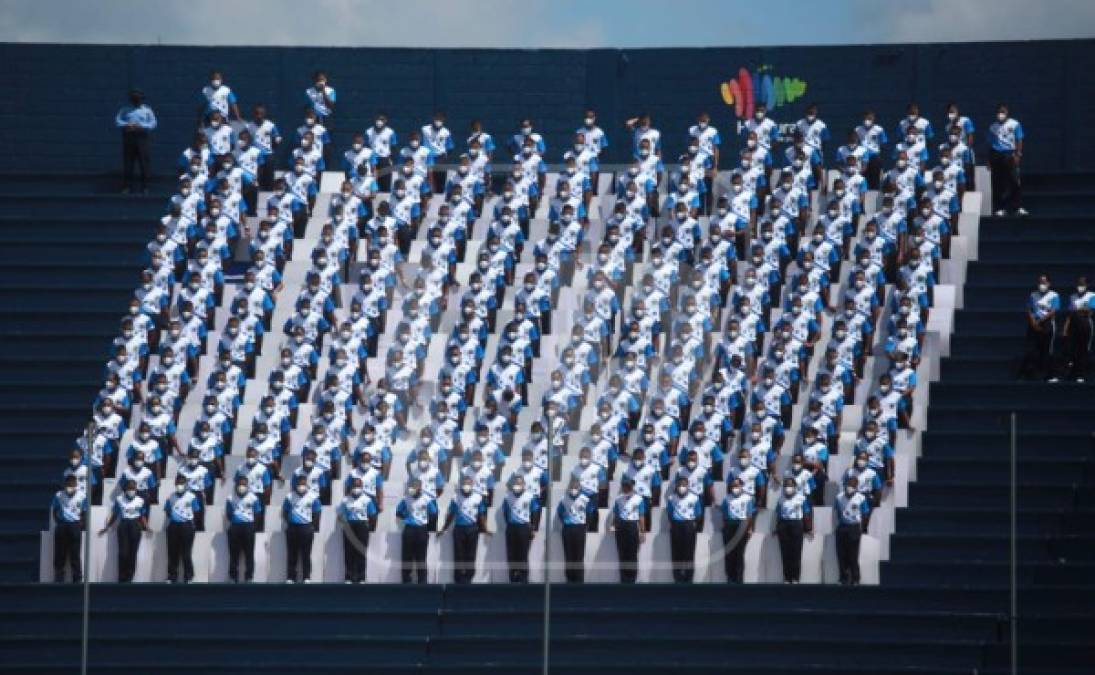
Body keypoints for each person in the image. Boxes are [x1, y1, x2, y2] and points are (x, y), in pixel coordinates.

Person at [438, 475, 487, 584]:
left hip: (473, 529)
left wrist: (485, 529)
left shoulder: (478, 498)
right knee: (458, 554)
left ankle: (469, 577)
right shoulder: (456, 497)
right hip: (459, 529)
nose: (466, 486)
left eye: (468, 483)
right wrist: (443, 528)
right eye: (464, 483)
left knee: (471, 555)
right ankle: (458, 578)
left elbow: (481, 515)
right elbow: (451, 515)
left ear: (472, 485)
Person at [98, 479, 149, 583]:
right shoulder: (119, 499)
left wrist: (146, 526)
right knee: (123, 553)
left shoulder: (140, 500)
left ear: (136, 489)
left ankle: (129, 577)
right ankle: (122, 577)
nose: (131, 490)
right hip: (123, 525)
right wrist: (107, 526)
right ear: (125, 489)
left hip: (135, 525)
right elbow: (115, 514)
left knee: (132, 553)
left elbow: (142, 515)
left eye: (133, 488)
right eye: (129, 488)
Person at [115, 88, 157, 194]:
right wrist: (127, 124)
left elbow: (153, 123)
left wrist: (141, 126)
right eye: (134, 97)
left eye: (138, 97)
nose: (136, 99)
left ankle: (145, 187)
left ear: (141, 99)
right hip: (129, 138)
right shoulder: (125, 109)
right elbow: (117, 121)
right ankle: (127, 187)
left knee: (144, 163)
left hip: (142, 138)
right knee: (128, 163)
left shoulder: (147, 110)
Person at [396, 479, 438, 584]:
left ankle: (422, 581)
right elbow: (398, 512)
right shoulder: (405, 499)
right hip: (409, 529)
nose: (412, 488)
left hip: (421, 530)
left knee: (421, 557)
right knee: (406, 557)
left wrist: (426, 525)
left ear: (420, 487)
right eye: (411, 486)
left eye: (414, 486)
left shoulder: (427, 499)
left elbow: (433, 513)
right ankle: (406, 580)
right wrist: (406, 518)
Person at [338, 477, 378, 584]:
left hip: (362, 526)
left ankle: (361, 577)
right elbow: (339, 515)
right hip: (349, 526)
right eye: (355, 486)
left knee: (361, 552)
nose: (356, 488)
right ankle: (348, 577)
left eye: (358, 486)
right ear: (351, 487)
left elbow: (373, 515)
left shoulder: (367, 500)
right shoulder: (345, 500)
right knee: (348, 552)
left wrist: (370, 528)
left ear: (362, 487)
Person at [988, 103, 1026, 216]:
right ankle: (1000, 208)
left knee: (1015, 181)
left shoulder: (1015, 124)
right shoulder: (993, 127)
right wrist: (989, 160)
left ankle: (1017, 207)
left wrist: (1018, 154)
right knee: (998, 183)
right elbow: (990, 144)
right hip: (997, 155)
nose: (1001, 114)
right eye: (999, 112)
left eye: (1003, 112)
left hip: (1010, 155)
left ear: (1007, 112)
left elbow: (1019, 139)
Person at [282, 476, 322, 583]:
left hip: (306, 527)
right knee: (291, 553)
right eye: (299, 484)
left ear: (307, 485)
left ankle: (306, 577)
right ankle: (291, 577)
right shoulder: (289, 497)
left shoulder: (313, 497)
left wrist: (312, 526)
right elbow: (285, 512)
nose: (301, 486)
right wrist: (290, 522)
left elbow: (317, 513)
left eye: (303, 484)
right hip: (292, 528)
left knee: (306, 554)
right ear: (295, 485)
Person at [1020, 275, 1060, 382]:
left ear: (1049, 283)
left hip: (1047, 325)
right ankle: (1029, 374)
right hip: (1033, 324)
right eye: (1040, 282)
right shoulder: (1033, 295)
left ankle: (1051, 375)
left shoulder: (1054, 295)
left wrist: (1040, 321)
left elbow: (1053, 311)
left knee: (1048, 351)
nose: (1042, 284)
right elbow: (1029, 309)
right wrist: (1033, 321)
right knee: (1031, 350)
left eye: (1044, 282)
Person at [502, 475, 541, 583]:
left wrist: (533, 528)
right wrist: (510, 523)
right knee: (511, 554)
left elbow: (535, 512)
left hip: (524, 528)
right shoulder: (507, 497)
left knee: (523, 553)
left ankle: (523, 578)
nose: (517, 485)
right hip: (511, 528)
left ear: (524, 485)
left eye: (519, 483)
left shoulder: (530, 497)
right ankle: (513, 577)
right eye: (515, 483)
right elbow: (505, 513)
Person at [556, 478, 596, 583]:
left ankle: (579, 580)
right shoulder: (563, 499)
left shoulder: (585, 499)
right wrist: (566, 521)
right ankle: (569, 579)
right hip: (567, 529)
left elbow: (590, 513)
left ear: (580, 488)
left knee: (579, 555)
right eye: (572, 487)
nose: (573, 489)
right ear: (569, 488)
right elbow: (560, 513)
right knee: (568, 555)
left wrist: (585, 525)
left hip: (580, 528)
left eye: (576, 487)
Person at [163, 475, 201, 583]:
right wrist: (174, 518)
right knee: (172, 552)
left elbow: (197, 511)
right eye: (178, 483)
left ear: (186, 484)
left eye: (182, 483)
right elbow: (167, 510)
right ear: (175, 484)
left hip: (187, 526)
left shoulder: (191, 496)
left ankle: (188, 576)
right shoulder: (170, 497)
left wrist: (192, 524)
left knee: (186, 553)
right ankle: (172, 576)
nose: (180, 485)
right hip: (173, 526)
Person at [834, 475, 871, 585]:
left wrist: (863, 528)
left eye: (853, 485)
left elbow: (865, 514)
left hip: (854, 527)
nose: (850, 487)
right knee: (841, 554)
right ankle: (843, 578)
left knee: (853, 554)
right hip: (842, 527)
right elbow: (837, 512)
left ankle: (855, 578)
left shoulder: (861, 498)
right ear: (845, 485)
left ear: (856, 487)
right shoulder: (838, 497)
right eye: (849, 485)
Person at [608, 476, 645, 583]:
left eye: (629, 486)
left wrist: (642, 531)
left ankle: (632, 578)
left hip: (632, 526)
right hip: (621, 527)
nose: (627, 488)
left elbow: (641, 516)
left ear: (632, 487)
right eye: (625, 486)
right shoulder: (618, 499)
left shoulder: (639, 499)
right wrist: (613, 525)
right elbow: (616, 514)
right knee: (622, 553)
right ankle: (623, 578)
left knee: (632, 553)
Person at [225, 476, 262, 583]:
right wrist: (236, 522)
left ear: (247, 485)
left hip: (249, 527)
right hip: (234, 528)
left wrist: (253, 526)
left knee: (249, 554)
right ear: (236, 485)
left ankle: (249, 577)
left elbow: (258, 513)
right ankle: (233, 577)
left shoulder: (253, 498)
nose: (242, 486)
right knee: (233, 554)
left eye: (244, 484)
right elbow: (228, 514)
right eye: (240, 484)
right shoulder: (230, 498)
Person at [666, 476, 703, 583]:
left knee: (689, 553)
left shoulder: (695, 498)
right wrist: (675, 522)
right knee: (676, 553)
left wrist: (692, 525)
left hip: (689, 526)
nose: (681, 487)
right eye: (679, 485)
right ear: (676, 486)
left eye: (684, 485)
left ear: (687, 486)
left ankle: (688, 578)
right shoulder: (671, 498)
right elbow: (669, 513)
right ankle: (678, 578)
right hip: (676, 525)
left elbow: (698, 514)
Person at [775, 477, 812, 583]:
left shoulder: (802, 498)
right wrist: (777, 527)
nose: (788, 488)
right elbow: (778, 514)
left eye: (790, 486)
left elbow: (806, 513)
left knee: (796, 552)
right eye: (786, 485)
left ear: (795, 487)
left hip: (797, 524)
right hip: (784, 525)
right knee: (785, 553)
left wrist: (808, 528)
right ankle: (787, 577)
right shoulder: (781, 499)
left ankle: (795, 578)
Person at [51, 475, 87, 583]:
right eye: (68, 485)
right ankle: (59, 575)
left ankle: (77, 577)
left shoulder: (82, 496)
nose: (70, 487)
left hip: (75, 525)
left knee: (75, 553)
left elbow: (84, 512)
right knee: (59, 552)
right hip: (62, 525)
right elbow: (54, 510)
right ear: (65, 485)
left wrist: (81, 524)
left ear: (76, 485)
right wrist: (59, 521)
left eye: (72, 485)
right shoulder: (58, 495)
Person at [720, 477, 755, 583]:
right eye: (733, 486)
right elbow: (724, 514)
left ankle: (739, 579)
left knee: (739, 554)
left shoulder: (747, 498)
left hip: (742, 526)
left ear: (741, 486)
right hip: (729, 526)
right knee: (729, 553)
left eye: (737, 485)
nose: (735, 488)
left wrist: (749, 529)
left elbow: (749, 515)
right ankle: (730, 578)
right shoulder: (726, 498)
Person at [1062, 276, 1094, 382]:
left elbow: (1090, 311)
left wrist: (1078, 309)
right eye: (1079, 284)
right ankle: (1073, 373)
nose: (1080, 286)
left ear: (1087, 285)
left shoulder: (1092, 296)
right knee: (1073, 349)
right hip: (1074, 326)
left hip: (1086, 325)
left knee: (1084, 349)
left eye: (1082, 284)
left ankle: (1082, 374)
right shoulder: (1073, 297)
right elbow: (1070, 314)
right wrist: (1065, 328)